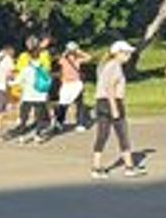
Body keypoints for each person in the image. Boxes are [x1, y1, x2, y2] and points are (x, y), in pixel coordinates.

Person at [90, 41, 146, 178]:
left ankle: (96, 167)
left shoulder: (107, 65)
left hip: (101, 102)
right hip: (112, 101)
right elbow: (110, 87)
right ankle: (129, 167)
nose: (128, 55)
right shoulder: (114, 66)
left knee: (103, 134)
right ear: (118, 53)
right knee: (122, 134)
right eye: (126, 53)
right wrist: (114, 108)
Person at [13, 35, 53, 142]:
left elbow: (17, 75)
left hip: (27, 93)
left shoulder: (24, 58)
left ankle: (21, 136)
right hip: (40, 93)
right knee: (39, 116)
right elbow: (48, 72)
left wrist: (9, 82)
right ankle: (38, 135)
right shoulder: (44, 56)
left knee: (24, 116)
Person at [56, 42, 87, 131]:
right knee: (63, 104)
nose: (72, 52)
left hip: (76, 84)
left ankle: (80, 123)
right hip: (66, 84)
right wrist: (65, 52)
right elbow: (59, 61)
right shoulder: (64, 60)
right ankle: (60, 122)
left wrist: (79, 52)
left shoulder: (78, 59)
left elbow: (89, 58)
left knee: (79, 104)